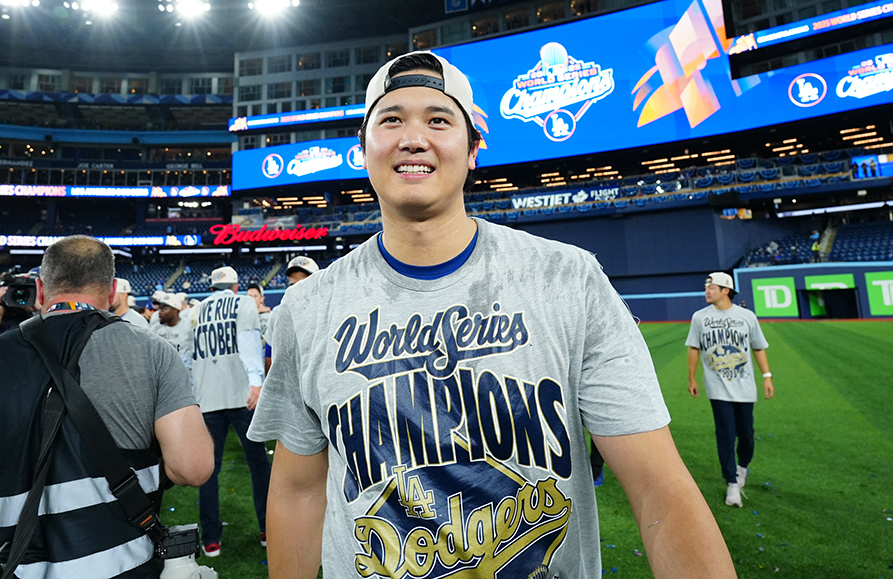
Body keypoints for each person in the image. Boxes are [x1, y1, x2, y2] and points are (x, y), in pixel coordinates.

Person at [249, 51, 735, 578]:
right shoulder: (307, 308)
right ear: (362, 150)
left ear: (473, 150)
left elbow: (659, 487)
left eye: (439, 120)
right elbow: (298, 492)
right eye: (391, 120)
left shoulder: (567, 278)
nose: (413, 138)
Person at [0, 235, 213, 578]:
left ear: (40, 289)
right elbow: (192, 468)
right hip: (118, 561)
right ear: (111, 291)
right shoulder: (152, 350)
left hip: (12, 564)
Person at [191, 265, 271, 557]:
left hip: (206, 398)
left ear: (212, 287)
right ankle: (268, 528)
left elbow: (189, 356)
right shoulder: (244, 303)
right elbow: (249, 342)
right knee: (258, 465)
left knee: (209, 471)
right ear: (236, 287)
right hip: (241, 395)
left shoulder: (196, 310)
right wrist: (256, 382)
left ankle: (211, 538)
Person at [686, 271, 775, 508]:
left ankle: (742, 467)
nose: (707, 291)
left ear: (726, 290)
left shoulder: (747, 317)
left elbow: (758, 347)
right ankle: (731, 482)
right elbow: (694, 348)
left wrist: (767, 376)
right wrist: (691, 378)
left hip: (745, 386)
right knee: (725, 433)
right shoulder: (700, 317)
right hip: (717, 386)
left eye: (712, 287)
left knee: (746, 435)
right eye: (706, 287)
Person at [153, 291, 194, 381]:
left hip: (185, 377)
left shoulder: (188, 326)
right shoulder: (155, 329)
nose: (160, 313)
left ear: (176, 310)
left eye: (164, 309)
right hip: (163, 378)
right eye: (160, 309)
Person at [246, 282, 273, 376]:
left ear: (262, 298)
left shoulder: (270, 316)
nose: (252, 299)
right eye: (249, 296)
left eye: (255, 296)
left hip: (266, 360)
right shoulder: (242, 317)